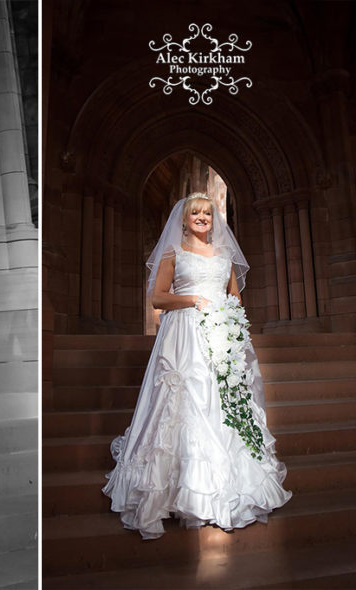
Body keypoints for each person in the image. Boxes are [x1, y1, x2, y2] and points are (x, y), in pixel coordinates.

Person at [102, 193, 291, 539]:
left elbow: (235, 297)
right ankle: (175, 489)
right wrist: (193, 300)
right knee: (186, 402)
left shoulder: (224, 255)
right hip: (185, 334)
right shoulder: (174, 252)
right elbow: (158, 297)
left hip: (222, 336)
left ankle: (225, 489)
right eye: (196, 213)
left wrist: (230, 323)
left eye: (207, 212)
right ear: (185, 219)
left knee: (223, 404)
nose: (202, 217)